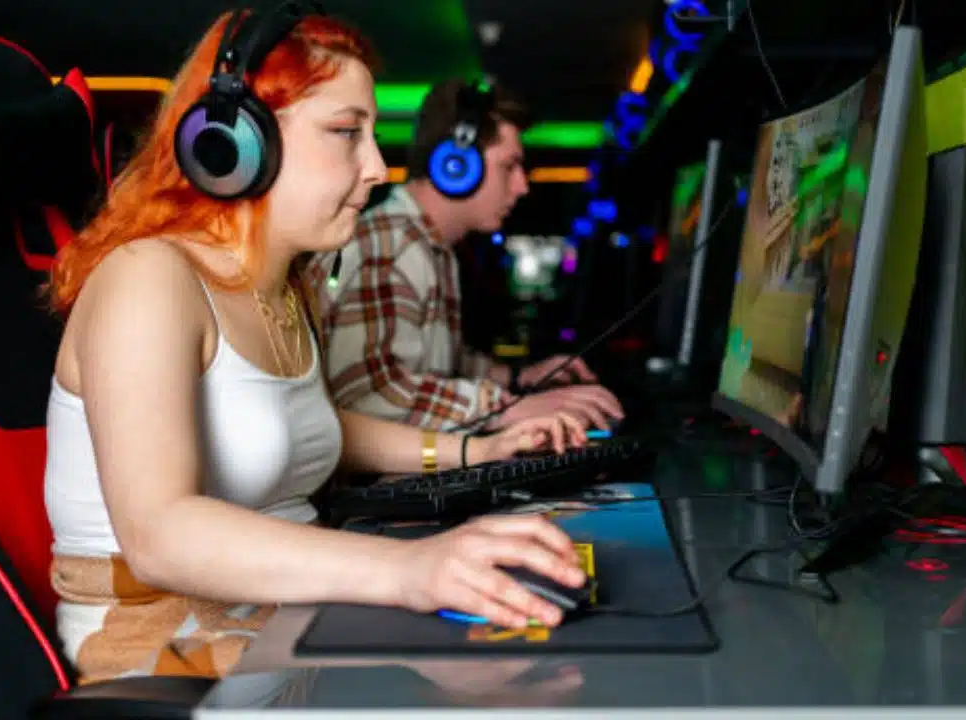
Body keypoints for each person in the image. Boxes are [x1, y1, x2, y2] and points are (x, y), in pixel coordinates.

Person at [43, 8, 588, 684]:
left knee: (520, 651)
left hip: (275, 612)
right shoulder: (149, 279)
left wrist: (476, 450)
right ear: (235, 142)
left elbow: (315, 427)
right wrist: (408, 570)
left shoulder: (286, 288)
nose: (376, 168)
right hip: (158, 644)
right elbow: (159, 535)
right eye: (345, 135)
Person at [308, 78, 624, 434]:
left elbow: (436, 368)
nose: (523, 186)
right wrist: (506, 408)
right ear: (456, 165)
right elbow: (371, 395)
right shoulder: (389, 247)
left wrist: (519, 377)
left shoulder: (427, 246)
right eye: (510, 166)